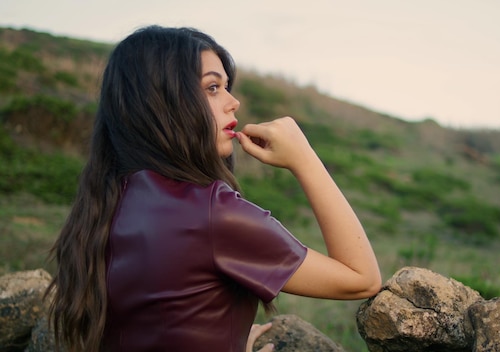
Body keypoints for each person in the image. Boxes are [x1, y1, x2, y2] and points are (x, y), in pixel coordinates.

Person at [46, 25, 381, 352]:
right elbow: (361, 278)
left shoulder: (107, 203)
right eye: (212, 88)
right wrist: (305, 159)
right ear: (165, 102)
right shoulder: (209, 213)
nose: (233, 101)